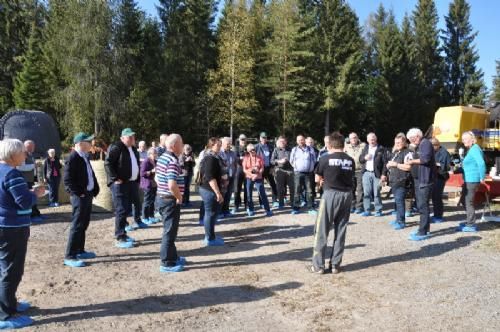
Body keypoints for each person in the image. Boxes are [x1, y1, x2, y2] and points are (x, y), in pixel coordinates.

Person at [0, 139, 45, 329]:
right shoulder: (13, 174)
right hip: (13, 228)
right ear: (13, 154)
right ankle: (5, 315)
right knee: (12, 270)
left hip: (4, 225)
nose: (25, 155)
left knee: (5, 267)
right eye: (22, 152)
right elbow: (24, 203)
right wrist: (36, 194)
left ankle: (9, 303)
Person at [310, 132, 354, 275]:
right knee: (340, 231)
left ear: (330, 144)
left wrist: (322, 181)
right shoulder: (350, 160)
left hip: (330, 195)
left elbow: (317, 179)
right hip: (347, 195)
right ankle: (335, 265)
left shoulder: (325, 158)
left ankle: (318, 266)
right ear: (343, 144)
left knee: (321, 230)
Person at [105, 128, 147, 249]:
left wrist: (137, 180)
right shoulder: (117, 147)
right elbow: (108, 163)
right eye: (129, 137)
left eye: (133, 136)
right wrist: (114, 178)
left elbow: (135, 165)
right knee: (121, 209)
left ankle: (123, 233)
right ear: (122, 138)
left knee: (127, 208)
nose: (132, 138)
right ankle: (119, 236)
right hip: (119, 184)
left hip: (130, 183)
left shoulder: (133, 149)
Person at [63, 133, 100, 267]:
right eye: (88, 141)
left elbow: (90, 174)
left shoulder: (84, 156)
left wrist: (95, 189)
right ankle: (70, 255)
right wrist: (79, 193)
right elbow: (67, 180)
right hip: (80, 197)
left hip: (87, 194)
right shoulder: (73, 157)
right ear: (80, 143)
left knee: (84, 223)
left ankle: (79, 250)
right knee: (77, 224)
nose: (91, 143)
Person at [156, 134, 186, 272]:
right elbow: (172, 184)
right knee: (169, 231)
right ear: (174, 146)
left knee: (171, 230)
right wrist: (179, 197)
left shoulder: (162, 157)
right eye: (181, 143)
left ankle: (172, 257)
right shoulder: (172, 161)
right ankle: (166, 263)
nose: (183, 145)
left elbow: (157, 178)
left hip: (162, 198)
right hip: (169, 199)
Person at [405, 128, 436, 241]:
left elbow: (425, 159)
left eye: (412, 139)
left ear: (417, 136)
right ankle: (424, 228)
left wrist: (412, 161)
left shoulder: (425, 143)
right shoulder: (419, 145)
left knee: (423, 206)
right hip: (419, 179)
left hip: (425, 179)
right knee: (421, 205)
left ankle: (422, 231)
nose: (411, 142)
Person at [457, 131, 486, 233]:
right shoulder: (471, 149)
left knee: (468, 202)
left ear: (472, 139)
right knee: (463, 201)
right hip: (468, 179)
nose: (463, 140)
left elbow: (481, 163)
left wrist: (482, 177)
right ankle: (469, 220)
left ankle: (471, 224)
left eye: (465, 138)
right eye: (463, 138)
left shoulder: (475, 149)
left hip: (473, 179)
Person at [198, 138, 225, 246]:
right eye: (218, 145)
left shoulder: (214, 157)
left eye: (220, 145)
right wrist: (218, 192)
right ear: (211, 145)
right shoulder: (210, 158)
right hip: (209, 189)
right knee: (210, 213)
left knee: (212, 214)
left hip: (209, 189)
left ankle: (211, 236)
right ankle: (209, 238)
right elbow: (209, 177)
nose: (220, 147)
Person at [383, 133, 412, 230]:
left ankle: (401, 222)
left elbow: (408, 167)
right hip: (394, 181)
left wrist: (395, 164)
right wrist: (388, 166)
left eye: (399, 142)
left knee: (400, 202)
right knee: (396, 201)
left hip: (402, 181)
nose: (397, 144)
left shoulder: (408, 152)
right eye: (396, 142)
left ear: (404, 142)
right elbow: (391, 164)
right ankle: (397, 219)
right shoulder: (396, 152)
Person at [359, 133, 386, 217]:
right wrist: (365, 158)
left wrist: (383, 174)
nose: (372, 140)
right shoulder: (365, 148)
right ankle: (367, 210)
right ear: (367, 140)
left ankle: (378, 210)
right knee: (366, 193)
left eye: (373, 138)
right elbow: (360, 160)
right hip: (366, 173)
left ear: (376, 139)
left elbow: (385, 163)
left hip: (376, 174)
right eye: (370, 139)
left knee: (377, 193)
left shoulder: (381, 148)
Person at [17, 140, 44, 222]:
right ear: (25, 146)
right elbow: (21, 167)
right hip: (25, 180)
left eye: (33, 146)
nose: (33, 148)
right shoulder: (23, 154)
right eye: (30, 146)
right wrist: (34, 165)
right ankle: (32, 215)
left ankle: (36, 213)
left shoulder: (30, 154)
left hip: (31, 179)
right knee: (29, 197)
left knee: (33, 196)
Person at [243, 144, 273, 217]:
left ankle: (267, 209)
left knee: (262, 193)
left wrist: (257, 174)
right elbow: (244, 169)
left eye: (254, 149)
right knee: (249, 194)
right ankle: (251, 209)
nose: (253, 151)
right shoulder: (246, 158)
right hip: (249, 178)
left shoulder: (259, 158)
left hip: (258, 177)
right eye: (251, 150)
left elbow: (262, 168)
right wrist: (251, 175)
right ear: (248, 151)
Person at [290, 135, 317, 215]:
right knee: (297, 191)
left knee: (309, 191)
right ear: (296, 141)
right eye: (298, 140)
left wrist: (310, 167)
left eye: (302, 140)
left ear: (304, 140)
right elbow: (291, 161)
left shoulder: (310, 149)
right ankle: (296, 208)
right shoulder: (294, 150)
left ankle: (310, 208)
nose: (300, 141)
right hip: (298, 173)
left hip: (308, 173)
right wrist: (297, 167)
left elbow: (314, 160)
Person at [431, 138, 451, 223]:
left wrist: (434, 163)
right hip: (434, 176)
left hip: (440, 177)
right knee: (434, 196)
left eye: (432, 147)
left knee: (437, 196)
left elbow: (446, 166)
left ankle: (439, 216)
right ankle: (436, 214)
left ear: (436, 145)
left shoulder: (444, 152)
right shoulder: (434, 151)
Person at [344, 132, 365, 213]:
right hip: (350, 171)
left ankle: (359, 206)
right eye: (351, 138)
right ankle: (352, 205)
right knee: (351, 189)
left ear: (357, 138)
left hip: (360, 170)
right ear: (349, 139)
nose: (353, 139)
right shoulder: (346, 147)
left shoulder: (363, 146)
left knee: (360, 189)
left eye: (355, 137)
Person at [255, 132, 278, 206]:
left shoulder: (270, 147)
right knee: (260, 186)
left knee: (273, 185)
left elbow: (273, 158)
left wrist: (272, 167)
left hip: (269, 168)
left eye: (265, 137)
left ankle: (274, 201)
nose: (264, 139)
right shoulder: (256, 147)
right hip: (260, 169)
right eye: (263, 137)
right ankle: (261, 202)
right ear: (260, 138)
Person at [271, 136, 294, 209]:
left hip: (290, 171)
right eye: (281, 141)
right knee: (280, 188)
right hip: (280, 171)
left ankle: (292, 203)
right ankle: (281, 203)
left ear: (286, 142)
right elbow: (271, 161)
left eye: (284, 141)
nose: (282, 143)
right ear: (278, 142)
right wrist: (279, 161)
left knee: (292, 187)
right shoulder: (276, 150)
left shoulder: (291, 149)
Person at [219, 137, 237, 217]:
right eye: (227, 144)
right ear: (222, 144)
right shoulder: (219, 153)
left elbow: (235, 164)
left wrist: (234, 173)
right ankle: (219, 212)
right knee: (222, 194)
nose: (229, 145)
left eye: (230, 143)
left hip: (231, 176)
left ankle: (226, 210)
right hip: (223, 178)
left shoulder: (233, 153)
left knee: (229, 194)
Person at [140, 147, 158, 224]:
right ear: (150, 154)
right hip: (147, 184)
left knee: (152, 201)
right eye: (154, 153)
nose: (156, 155)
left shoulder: (155, 161)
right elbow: (142, 173)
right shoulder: (146, 162)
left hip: (154, 184)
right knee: (147, 201)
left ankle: (151, 216)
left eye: (156, 153)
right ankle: (145, 217)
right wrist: (151, 171)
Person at [232, 134, 248, 214]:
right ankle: (236, 205)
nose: (243, 140)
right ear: (239, 139)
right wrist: (241, 158)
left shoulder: (248, 148)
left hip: (247, 170)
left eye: (244, 139)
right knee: (236, 189)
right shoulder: (235, 148)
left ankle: (246, 205)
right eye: (241, 139)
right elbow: (235, 159)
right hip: (238, 170)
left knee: (247, 188)